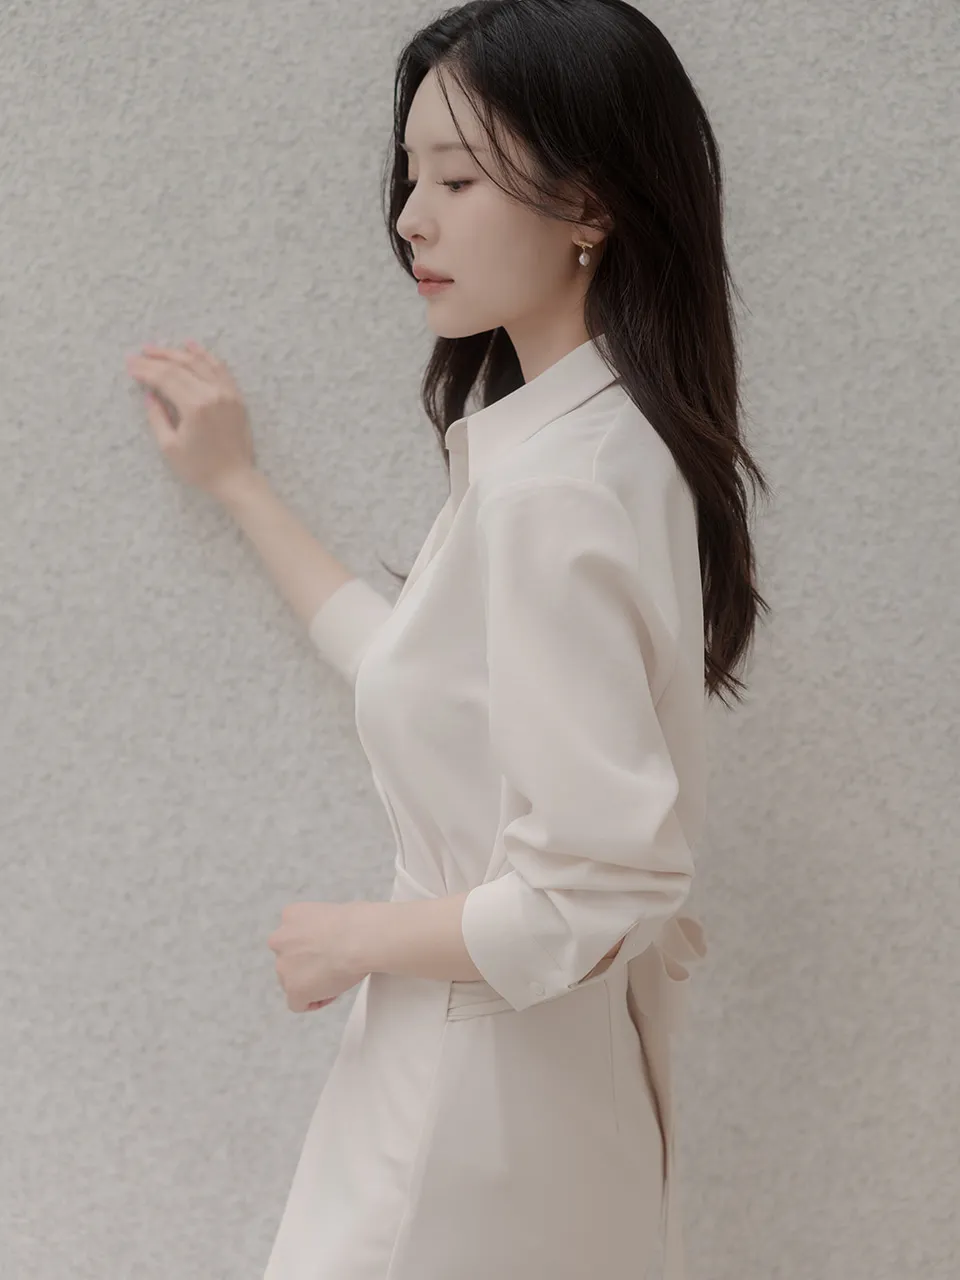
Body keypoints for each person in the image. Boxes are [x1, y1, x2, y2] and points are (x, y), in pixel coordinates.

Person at [126, 2, 769, 1276]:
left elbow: (601, 880)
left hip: (470, 1098)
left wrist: (351, 937)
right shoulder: (594, 444)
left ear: (591, 203)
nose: (412, 218)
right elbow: (417, 672)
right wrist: (241, 485)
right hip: (530, 1083)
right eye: (411, 175)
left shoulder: (556, 488)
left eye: (459, 178)